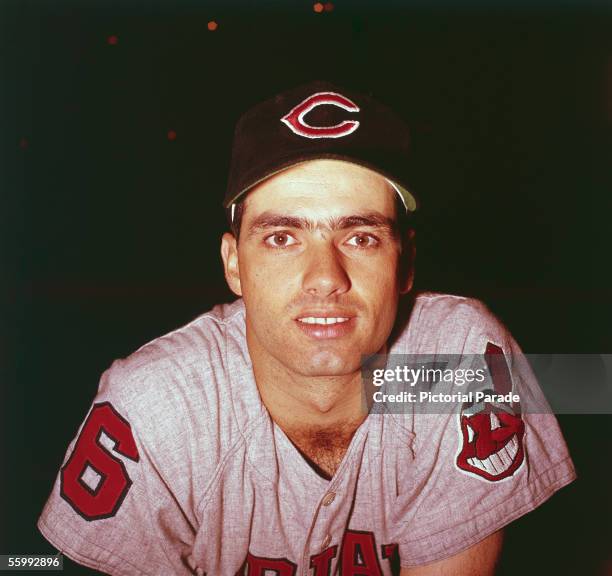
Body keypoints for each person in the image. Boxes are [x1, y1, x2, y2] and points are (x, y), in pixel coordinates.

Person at [38, 81, 576, 575]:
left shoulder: (454, 363)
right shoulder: (161, 405)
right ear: (233, 264)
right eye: (282, 238)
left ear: (405, 263)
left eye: (361, 237)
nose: (325, 278)